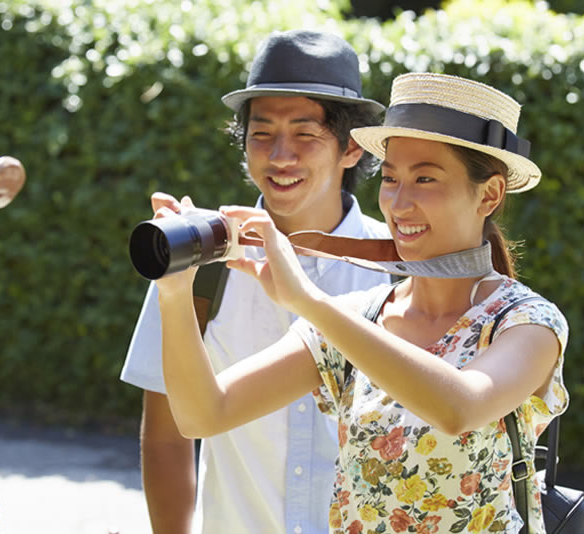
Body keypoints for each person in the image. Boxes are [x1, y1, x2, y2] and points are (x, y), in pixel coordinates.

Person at [154, 72, 570, 534]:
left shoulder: (527, 322)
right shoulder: (360, 315)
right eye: (390, 178)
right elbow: (203, 414)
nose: (399, 202)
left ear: (489, 194)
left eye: (425, 178)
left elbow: (460, 407)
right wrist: (173, 289)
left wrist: (308, 301)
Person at [121, 30, 391, 534]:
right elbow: (166, 435)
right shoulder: (193, 262)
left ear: (351, 148)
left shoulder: (398, 270)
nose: (279, 155)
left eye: (305, 135)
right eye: (261, 133)